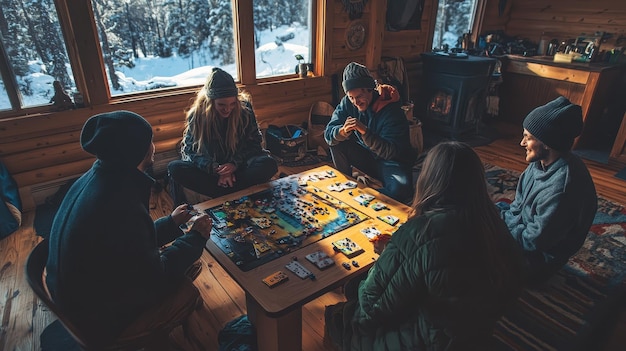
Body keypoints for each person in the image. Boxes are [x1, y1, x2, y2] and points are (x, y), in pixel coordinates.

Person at [324, 141, 525, 351]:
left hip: (427, 340)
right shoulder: (493, 222)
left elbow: (372, 307)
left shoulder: (421, 231)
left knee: (345, 304)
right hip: (474, 331)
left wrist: (385, 260)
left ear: (429, 179)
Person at [46, 110, 213, 346]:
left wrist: (171, 223)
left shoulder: (100, 177)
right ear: (138, 151)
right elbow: (157, 278)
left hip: (76, 297)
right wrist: (195, 237)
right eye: (149, 140)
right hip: (99, 320)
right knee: (188, 287)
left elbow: (126, 244)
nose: (153, 146)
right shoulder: (120, 202)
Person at [498, 96, 598, 286]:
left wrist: (499, 226)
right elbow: (517, 207)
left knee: (473, 252)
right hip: (523, 232)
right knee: (476, 211)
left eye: (527, 137)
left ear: (547, 142)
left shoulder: (563, 188)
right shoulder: (539, 163)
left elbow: (534, 242)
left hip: (537, 260)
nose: (521, 143)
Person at [167, 67, 278, 204]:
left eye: (232, 104)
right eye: (221, 105)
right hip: (211, 173)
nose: (228, 109)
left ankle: (222, 193)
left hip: (239, 168)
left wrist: (234, 164)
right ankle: (235, 191)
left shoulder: (245, 110)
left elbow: (255, 143)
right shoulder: (197, 115)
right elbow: (191, 150)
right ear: (210, 102)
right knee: (175, 168)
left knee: (269, 164)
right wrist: (214, 169)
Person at [324, 62, 415, 203]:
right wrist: (341, 132)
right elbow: (328, 134)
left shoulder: (391, 111)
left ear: (370, 89)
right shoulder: (348, 103)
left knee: (401, 191)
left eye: (359, 96)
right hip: (369, 156)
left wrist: (365, 132)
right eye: (351, 97)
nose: (356, 102)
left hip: (393, 162)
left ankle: (364, 198)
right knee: (337, 142)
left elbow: (389, 152)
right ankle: (345, 185)